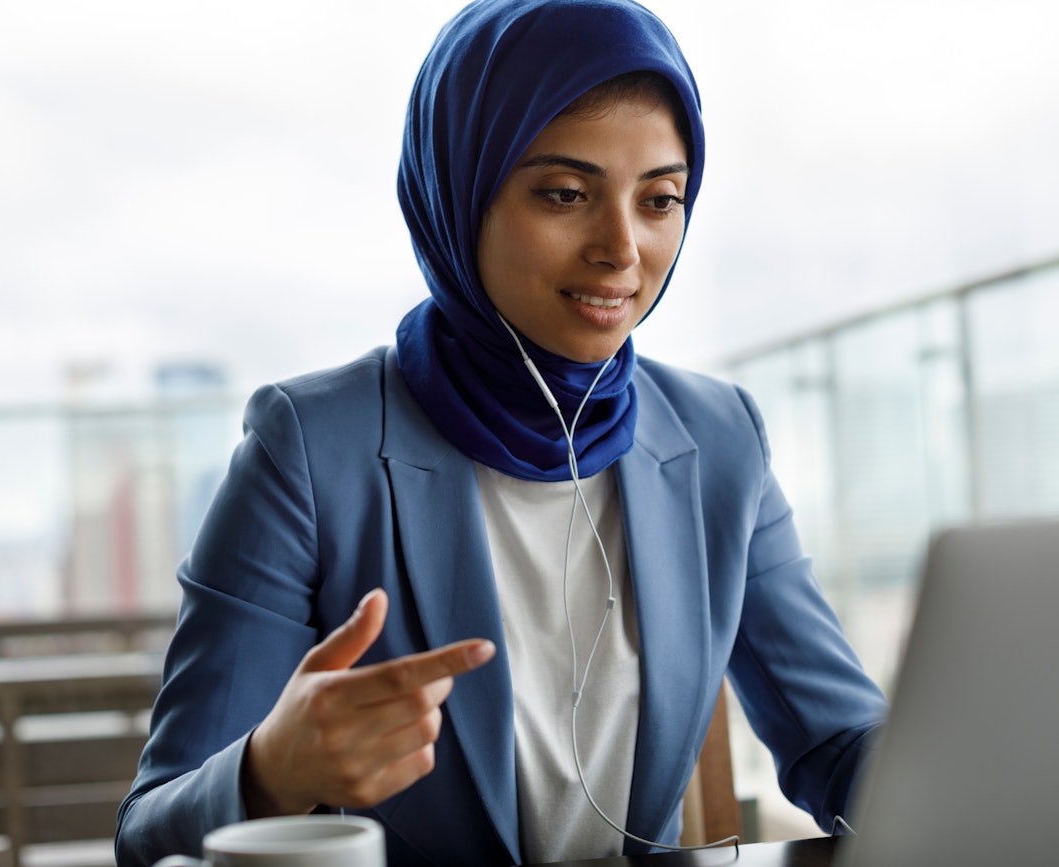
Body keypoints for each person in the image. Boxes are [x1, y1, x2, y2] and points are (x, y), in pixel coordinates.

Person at [115, 1, 889, 864]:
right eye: (565, 194)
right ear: (460, 192)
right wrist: (270, 770)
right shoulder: (307, 449)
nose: (622, 248)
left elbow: (837, 739)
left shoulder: (720, 439)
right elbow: (147, 834)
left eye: (660, 199)